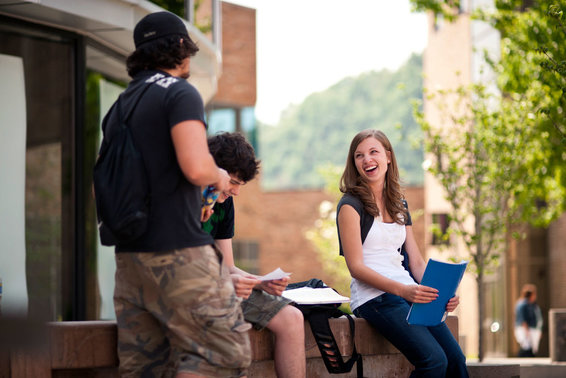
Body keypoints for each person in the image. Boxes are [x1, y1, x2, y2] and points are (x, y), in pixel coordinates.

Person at [105, 12, 251, 377]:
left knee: (146, 367)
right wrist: (217, 175)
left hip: (129, 261)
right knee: (223, 354)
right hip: (178, 254)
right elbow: (195, 167)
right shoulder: (180, 93)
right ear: (182, 50)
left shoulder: (120, 106)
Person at [336, 129, 468, 377]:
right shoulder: (350, 205)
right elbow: (356, 267)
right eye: (359, 155)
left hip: (406, 292)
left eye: (373, 152)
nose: (367, 160)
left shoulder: (399, 203)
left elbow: (416, 262)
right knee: (434, 360)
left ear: (387, 156)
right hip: (375, 298)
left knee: (456, 359)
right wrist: (402, 290)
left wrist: (444, 295)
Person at [202, 132, 306, 378]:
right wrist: (226, 284)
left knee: (292, 317)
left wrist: (261, 282)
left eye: (240, 185)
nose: (236, 192)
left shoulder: (224, 203)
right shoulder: (183, 200)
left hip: (220, 287)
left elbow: (228, 266)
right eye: (234, 182)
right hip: (194, 293)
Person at [514, 283, 543, 357]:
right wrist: (526, 330)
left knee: (531, 348)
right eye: (534, 294)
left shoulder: (533, 305)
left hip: (531, 328)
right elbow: (522, 318)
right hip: (525, 329)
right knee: (527, 347)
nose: (535, 296)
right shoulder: (523, 305)